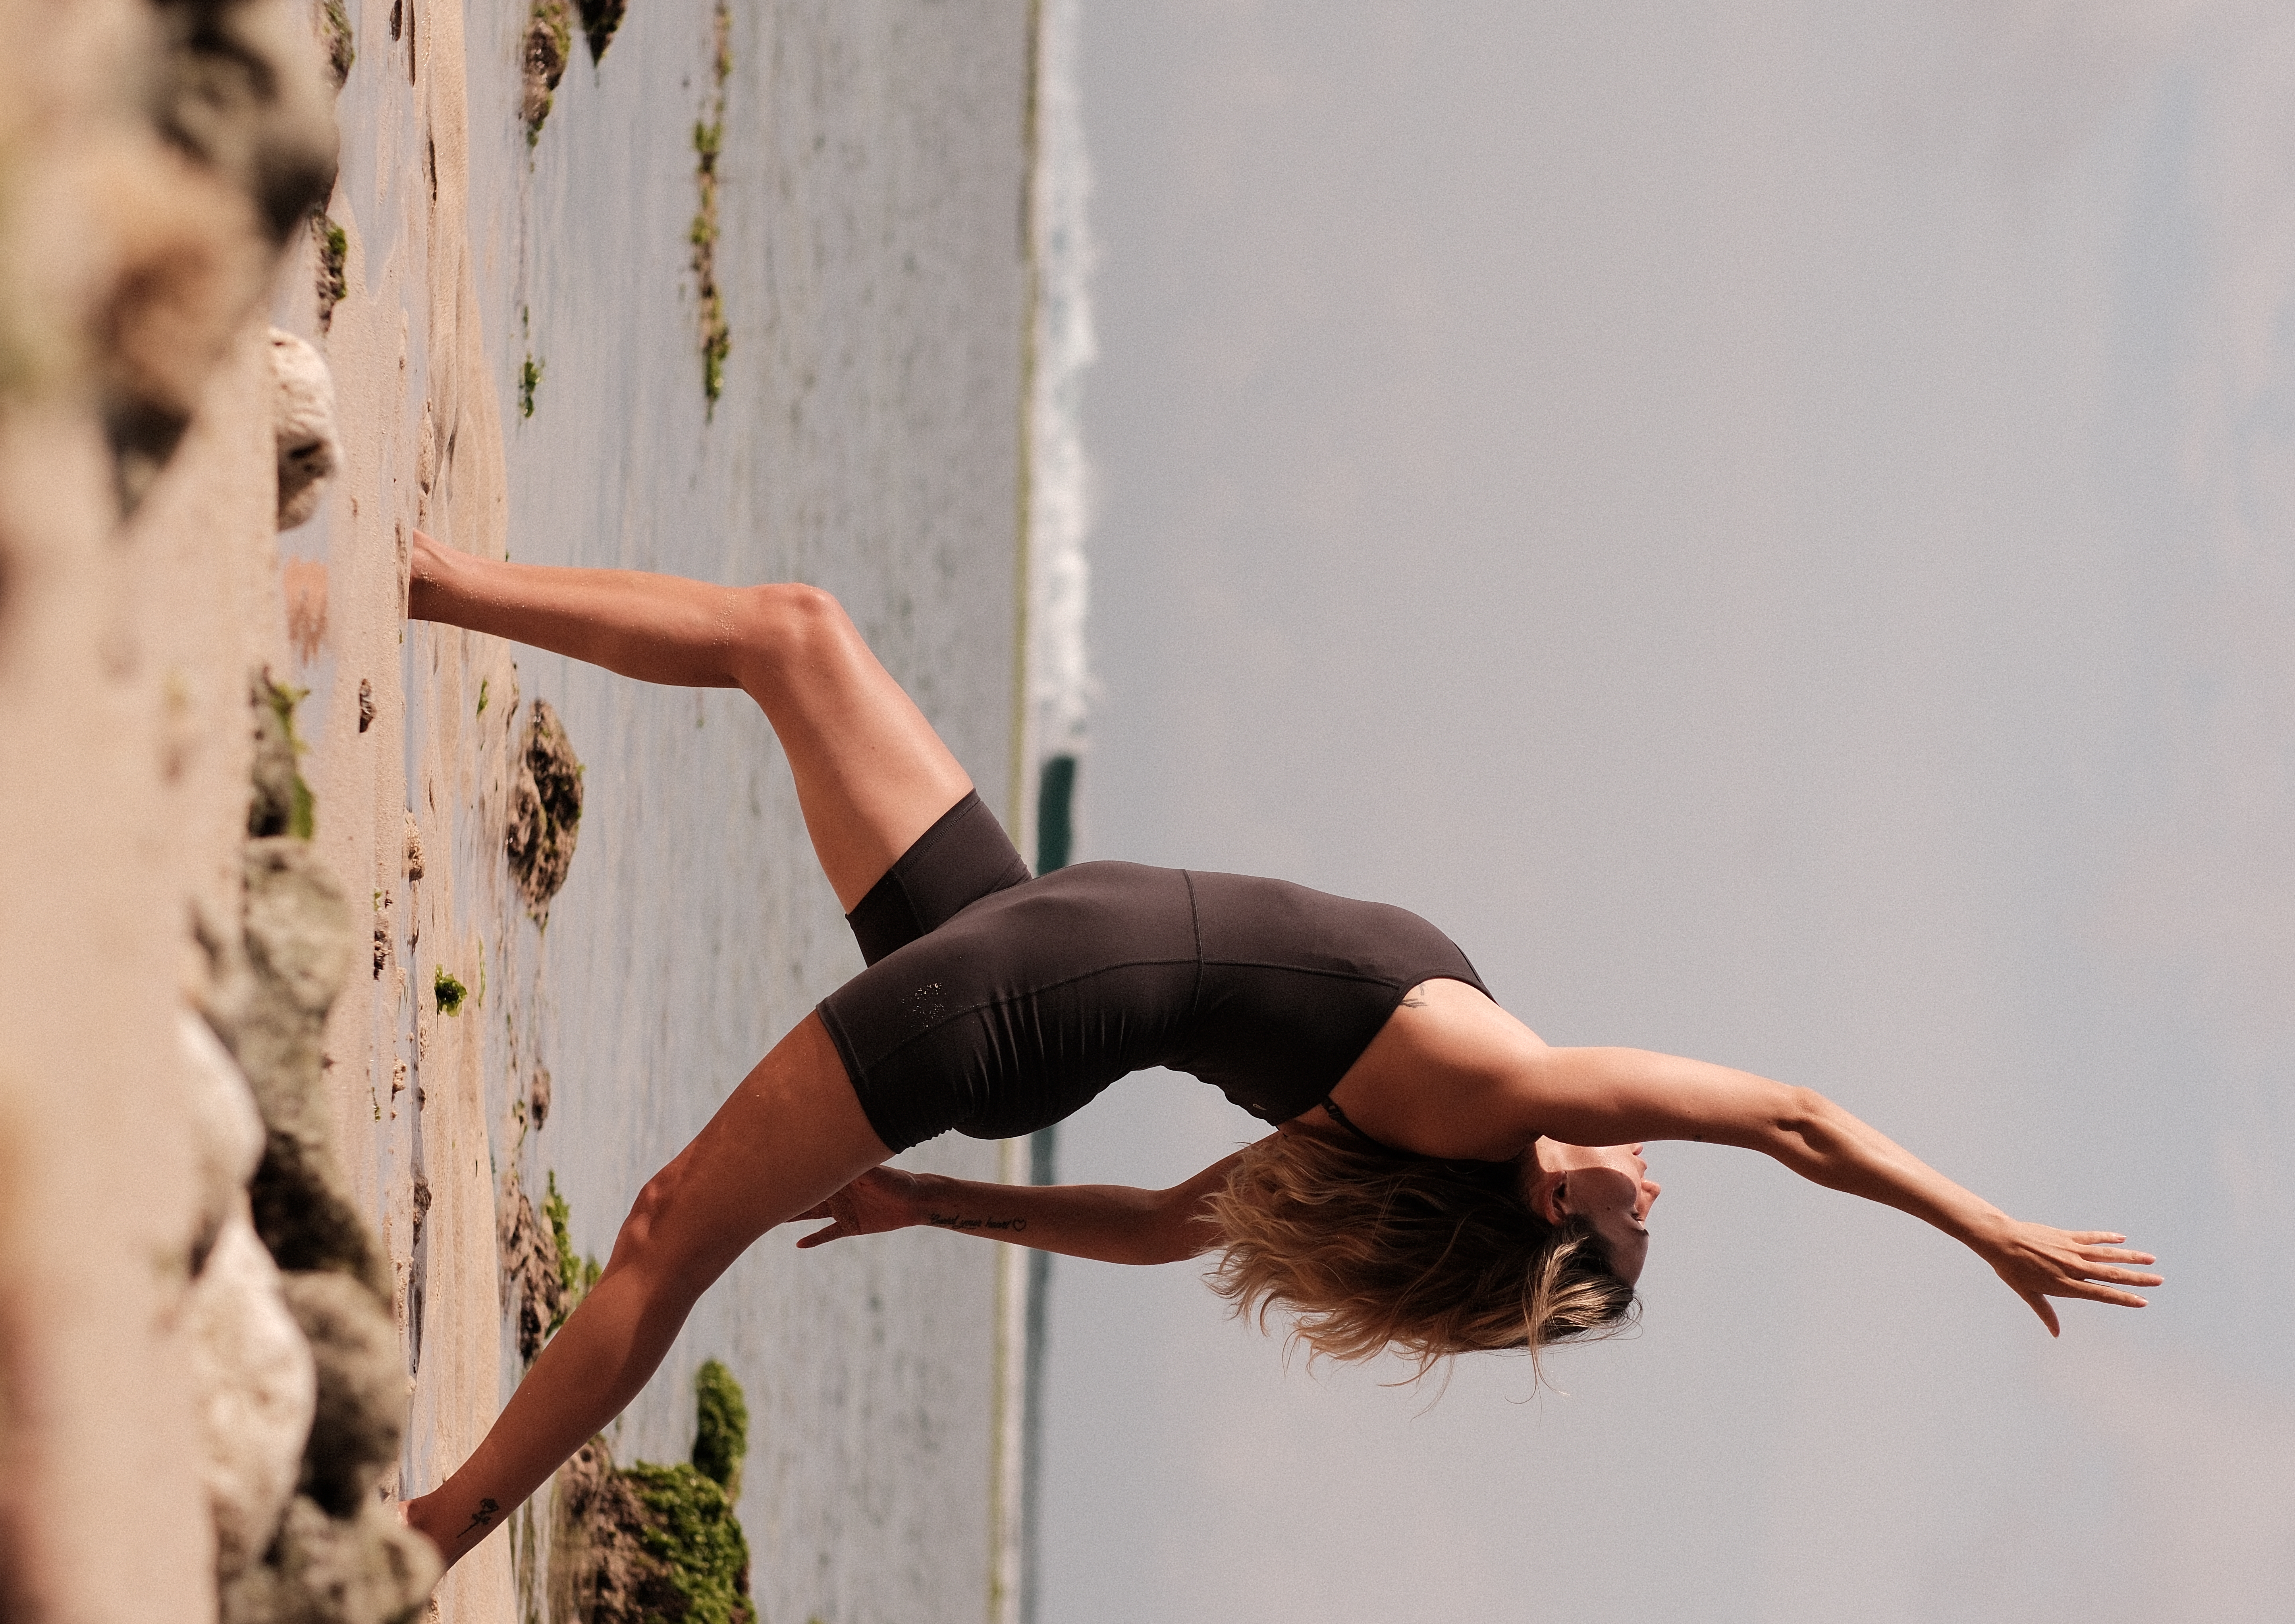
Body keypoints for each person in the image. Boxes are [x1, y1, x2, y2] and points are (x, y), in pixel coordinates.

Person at [396, 537, 2160, 1571]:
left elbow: (1793, 1116)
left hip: (1012, 998)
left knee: (666, 1235)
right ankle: (423, 578)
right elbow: (1164, 1228)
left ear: (1559, 1204)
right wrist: (933, 1204)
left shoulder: (1495, 1099)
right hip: (1016, 934)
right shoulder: (1409, 1120)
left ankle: (441, 1530)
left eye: (1631, 1230)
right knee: (795, 636)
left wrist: (1986, 1226)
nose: (1657, 1194)